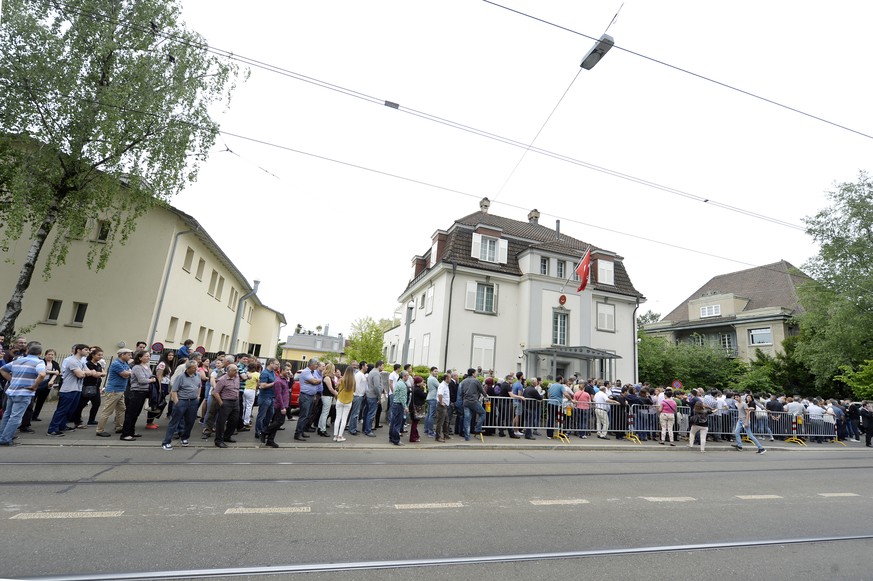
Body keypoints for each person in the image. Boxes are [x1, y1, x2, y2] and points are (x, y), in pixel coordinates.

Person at [0, 342, 46, 446]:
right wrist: (34, 385)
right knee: (16, 417)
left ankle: (2, 436)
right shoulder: (39, 362)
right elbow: (42, 374)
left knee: (7, 415)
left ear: (28, 350)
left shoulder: (17, 360)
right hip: (24, 392)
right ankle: (6, 439)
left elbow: (2, 369)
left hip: (11, 391)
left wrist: (12, 380)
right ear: (40, 353)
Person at [48, 344, 93, 436]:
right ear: (78, 350)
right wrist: (85, 373)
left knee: (70, 409)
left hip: (77, 388)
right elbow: (80, 375)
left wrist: (84, 372)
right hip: (68, 389)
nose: (88, 351)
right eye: (86, 349)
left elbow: (90, 372)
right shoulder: (72, 361)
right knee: (62, 409)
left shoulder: (82, 361)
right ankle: (52, 429)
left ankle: (62, 425)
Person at [160, 360, 201, 450]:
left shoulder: (197, 375)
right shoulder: (181, 377)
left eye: (196, 367)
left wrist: (198, 396)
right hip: (182, 401)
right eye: (194, 368)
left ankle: (185, 438)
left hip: (193, 402)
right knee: (174, 422)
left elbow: (199, 386)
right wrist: (177, 402)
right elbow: (174, 390)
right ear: (188, 368)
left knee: (190, 421)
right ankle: (166, 442)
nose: (196, 369)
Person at [95, 348, 132, 437]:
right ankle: (99, 430)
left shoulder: (125, 363)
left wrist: (128, 373)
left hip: (120, 390)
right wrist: (128, 373)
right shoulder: (116, 364)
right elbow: (125, 374)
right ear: (122, 355)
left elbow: (128, 373)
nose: (130, 356)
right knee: (107, 411)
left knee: (122, 409)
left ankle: (119, 427)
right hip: (114, 390)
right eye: (129, 355)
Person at [120, 350, 155, 441]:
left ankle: (132, 431)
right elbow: (142, 380)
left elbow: (150, 376)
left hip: (143, 392)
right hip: (136, 392)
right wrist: (151, 380)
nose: (148, 357)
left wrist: (151, 379)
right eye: (146, 356)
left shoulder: (147, 367)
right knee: (131, 413)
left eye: (148, 356)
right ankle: (125, 433)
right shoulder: (137, 367)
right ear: (140, 358)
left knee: (136, 413)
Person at [72, 347, 105, 428]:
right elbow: (96, 375)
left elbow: (104, 373)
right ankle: (77, 420)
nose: (100, 357)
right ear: (93, 355)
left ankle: (91, 420)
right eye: (98, 355)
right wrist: (98, 373)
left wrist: (98, 373)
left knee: (96, 404)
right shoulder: (88, 364)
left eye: (101, 355)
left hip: (96, 387)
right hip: (88, 386)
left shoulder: (99, 364)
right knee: (81, 404)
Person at [212, 364, 240, 448]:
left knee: (234, 420)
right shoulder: (222, 379)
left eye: (237, 370)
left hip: (235, 402)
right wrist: (221, 403)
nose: (236, 371)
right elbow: (215, 392)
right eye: (234, 370)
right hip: (226, 402)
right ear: (229, 371)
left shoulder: (237, 377)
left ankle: (227, 436)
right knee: (221, 422)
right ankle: (218, 440)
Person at [263, 368, 291, 448]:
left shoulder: (284, 379)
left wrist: (291, 378)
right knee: (279, 422)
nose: (288, 372)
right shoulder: (278, 381)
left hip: (284, 404)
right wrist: (282, 407)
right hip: (280, 405)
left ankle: (270, 440)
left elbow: (289, 387)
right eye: (287, 370)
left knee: (276, 422)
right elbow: (278, 395)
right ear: (282, 370)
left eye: (289, 370)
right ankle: (264, 431)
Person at [295, 358, 322, 441]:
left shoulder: (313, 372)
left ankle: (302, 431)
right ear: (311, 365)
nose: (317, 366)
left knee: (308, 415)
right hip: (305, 396)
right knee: (303, 415)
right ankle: (298, 433)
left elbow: (319, 380)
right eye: (315, 364)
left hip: (311, 396)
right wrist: (314, 381)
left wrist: (315, 381)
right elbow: (314, 381)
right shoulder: (306, 372)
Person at [460, 368, 488, 441]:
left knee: (467, 418)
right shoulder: (476, 381)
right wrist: (486, 396)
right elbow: (482, 390)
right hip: (473, 401)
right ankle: (478, 428)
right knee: (483, 413)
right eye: (475, 373)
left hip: (465, 401)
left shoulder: (463, 381)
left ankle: (467, 437)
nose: (476, 374)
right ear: (473, 373)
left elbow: (461, 392)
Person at [257, 359, 279, 440]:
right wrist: (274, 383)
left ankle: (264, 431)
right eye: (276, 364)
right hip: (265, 397)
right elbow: (262, 385)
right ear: (271, 363)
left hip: (272, 397)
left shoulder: (273, 372)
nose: (277, 366)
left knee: (269, 415)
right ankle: (258, 431)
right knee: (262, 416)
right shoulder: (265, 373)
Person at [333, 367, 356, 442]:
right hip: (348, 401)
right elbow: (354, 390)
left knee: (337, 418)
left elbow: (338, 388)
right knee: (344, 419)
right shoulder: (353, 381)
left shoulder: (342, 379)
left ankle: (335, 436)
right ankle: (340, 436)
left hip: (340, 399)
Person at [364, 361, 384, 437]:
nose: (383, 367)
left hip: (370, 395)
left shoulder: (372, 372)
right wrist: (379, 397)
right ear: (379, 365)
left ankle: (366, 429)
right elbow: (376, 386)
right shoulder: (376, 373)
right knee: (371, 414)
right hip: (373, 396)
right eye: (382, 366)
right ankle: (368, 430)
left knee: (367, 413)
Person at [389, 370, 409, 446]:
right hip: (399, 405)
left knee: (393, 422)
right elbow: (403, 397)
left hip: (395, 404)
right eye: (407, 375)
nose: (408, 377)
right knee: (397, 424)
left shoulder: (398, 383)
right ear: (404, 376)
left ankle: (391, 438)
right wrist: (405, 407)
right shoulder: (403, 385)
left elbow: (394, 393)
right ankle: (396, 440)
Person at [317, 362, 337, 438]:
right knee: (325, 413)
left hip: (326, 396)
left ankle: (320, 428)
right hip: (327, 396)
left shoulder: (327, 377)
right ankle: (323, 429)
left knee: (323, 413)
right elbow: (331, 389)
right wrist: (337, 394)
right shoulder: (327, 378)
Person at [240, 362, 259, 432]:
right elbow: (258, 383)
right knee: (249, 406)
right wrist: (256, 388)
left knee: (243, 405)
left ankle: (242, 419)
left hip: (244, 389)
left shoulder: (245, 373)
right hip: (251, 390)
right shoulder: (257, 374)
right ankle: (246, 421)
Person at [409, 375, 427, 443]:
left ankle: (416, 435)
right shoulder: (418, 389)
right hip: (417, 407)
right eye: (422, 382)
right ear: (419, 382)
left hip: (413, 407)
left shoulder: (414, 388)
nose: (423, 383)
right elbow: (424, 396)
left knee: (414, 422)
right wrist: (425, 388)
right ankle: (413, 437)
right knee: (415, 423)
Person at [435, 373, 451, 442]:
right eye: (450, 378)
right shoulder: (442, 385)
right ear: (446, 378)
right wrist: (441, 402)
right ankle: (437, 437)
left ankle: (445, 434)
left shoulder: (446, 385)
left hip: (445, 405)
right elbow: (440, 394)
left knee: (446, 421)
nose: (450, 379)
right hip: (442, 406)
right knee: (440, 422)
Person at [425, 366, 439, 437]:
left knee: (428, 414)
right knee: (431, 415)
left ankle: (426, 429)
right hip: (433, 398)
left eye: (437, 371)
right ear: (431, 371)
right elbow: (439, 386)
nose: (436, 372)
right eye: (435, 371)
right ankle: (430, 432)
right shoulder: (433, 379)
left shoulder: (429, 378)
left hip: (429, 397)